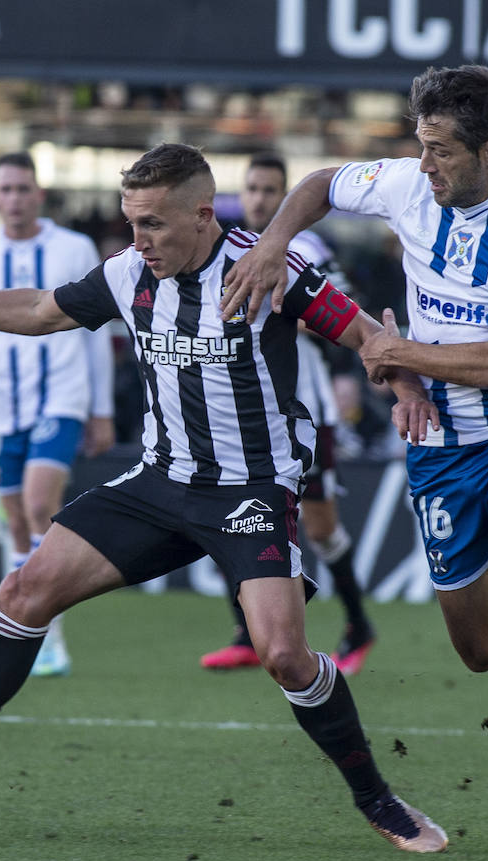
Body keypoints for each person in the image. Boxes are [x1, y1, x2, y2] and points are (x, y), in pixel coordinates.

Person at [0, 143, 447, 853]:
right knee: (25, 590)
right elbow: (39, 309)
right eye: (132, 222)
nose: (139, 239)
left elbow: (365, 333)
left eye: (153, 223)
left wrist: (405, 385)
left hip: (250, 490)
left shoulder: (267, 267)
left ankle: (379, 800)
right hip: (161, 482)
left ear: (202, 215)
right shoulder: (128, 274)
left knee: (283, 654)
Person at [220, 65, 488, 845]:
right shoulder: (409, 184)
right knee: (481, 650)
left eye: (440, 150)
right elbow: (319, 183)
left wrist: (394, 352)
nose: (424, 165)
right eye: (420, 145)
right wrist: (275, 244)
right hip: (439, 443)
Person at [199, 153, 376, 675]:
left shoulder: (307, 249)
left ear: (285, 198)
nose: (259, 199)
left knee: (321, 528)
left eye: (270, 190)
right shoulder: (219, 251)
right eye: (252, 189)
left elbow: (346, 313)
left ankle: (358, 626)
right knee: (230, 513)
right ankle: (246, 632)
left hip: (302, 410)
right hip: (239, 410)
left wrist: (288, 314)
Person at [0, 152, 115, 679]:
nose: (15, 198)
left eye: (24, 188)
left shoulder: (74, 248)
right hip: (4, 406)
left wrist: (102, 409)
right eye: (6, 189)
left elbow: (96, 330)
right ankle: (27, 633)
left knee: (40, 503)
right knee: (16, 522)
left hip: (61, 396)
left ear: (39, 195)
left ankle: (51, 637)